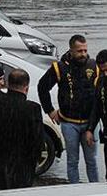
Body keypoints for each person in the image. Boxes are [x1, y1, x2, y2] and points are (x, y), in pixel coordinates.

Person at [37, 34, 100, 183]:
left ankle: (96, 190)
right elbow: (42, 87)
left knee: (91, 161)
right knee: (72, 161)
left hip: (89, 123)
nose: (83, 54)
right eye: (79, 51)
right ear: (71, 50)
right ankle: (74, 190)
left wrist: (93, 126)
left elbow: (99, 99)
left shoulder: (94, 66)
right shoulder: (59, 68)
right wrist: (50, 110)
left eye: (85, 50)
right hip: (68, 122)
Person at [0, 69, 44, 189]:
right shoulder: (32, 109)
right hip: (22, 169)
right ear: (26, 88)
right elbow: (37, 139)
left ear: (8, 84)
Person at [86, 50, 107, 180]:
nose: (106, 74)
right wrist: (90, 128)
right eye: (102, 71)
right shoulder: (101, 81)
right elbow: (97, 107)